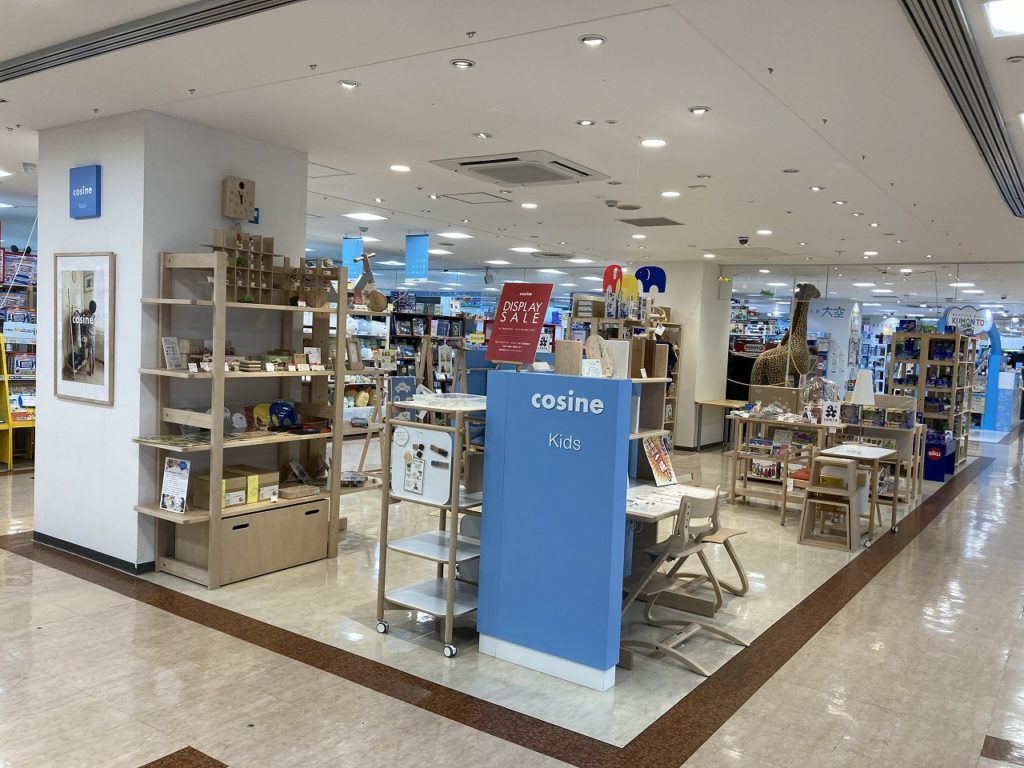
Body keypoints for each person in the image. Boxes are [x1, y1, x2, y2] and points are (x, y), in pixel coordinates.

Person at [81, 300, 97, 376]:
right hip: (94, 337)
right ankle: (93, 370)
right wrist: (87, 311)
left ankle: (90, 372)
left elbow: (82, 322)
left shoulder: (87, 317)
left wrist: (83, 314)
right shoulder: (94, 316)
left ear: (90, 308)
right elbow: (89, 312)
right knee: (93, 354)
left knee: (90, 354)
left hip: (89, 337)